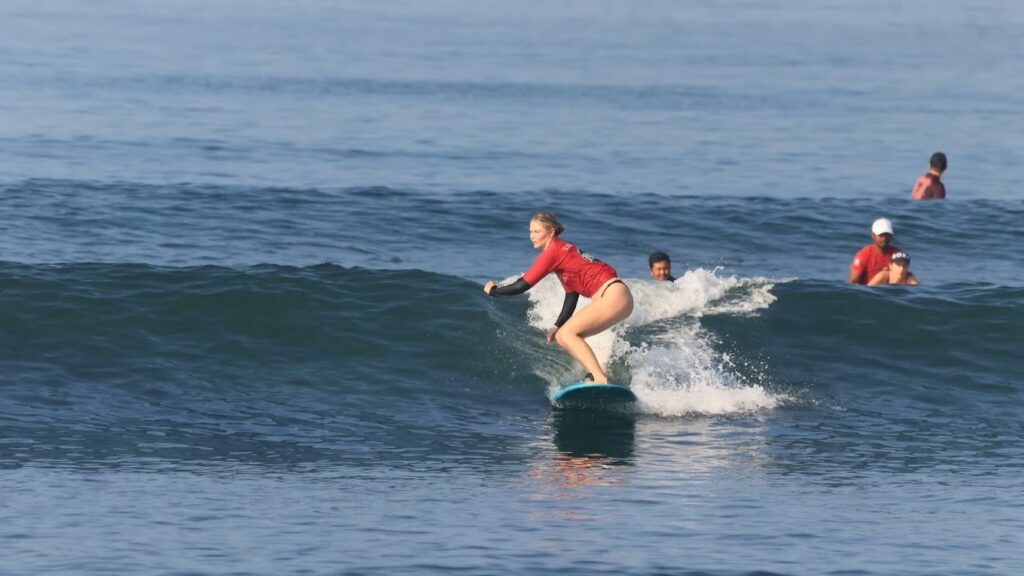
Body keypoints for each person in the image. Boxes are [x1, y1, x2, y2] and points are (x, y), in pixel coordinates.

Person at [483, 211, 634, 384]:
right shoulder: (564, 250)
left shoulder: (552, 252)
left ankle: (599, 377)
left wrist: (494, 290)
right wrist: (557, 324)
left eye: (537, 232)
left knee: (568, 334)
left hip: (611, 295)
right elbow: (572, 294)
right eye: (530, 232)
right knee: (564, 335)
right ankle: (594, 375)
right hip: (618, 296)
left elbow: (523, 285)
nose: (532, 236)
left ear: (551, 232)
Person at [848, 218, 902, 285]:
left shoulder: (897, 254)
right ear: (873, 235)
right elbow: (853, 281)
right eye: (881, 235)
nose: (884, 238)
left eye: (887, 235)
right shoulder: (864, 254)